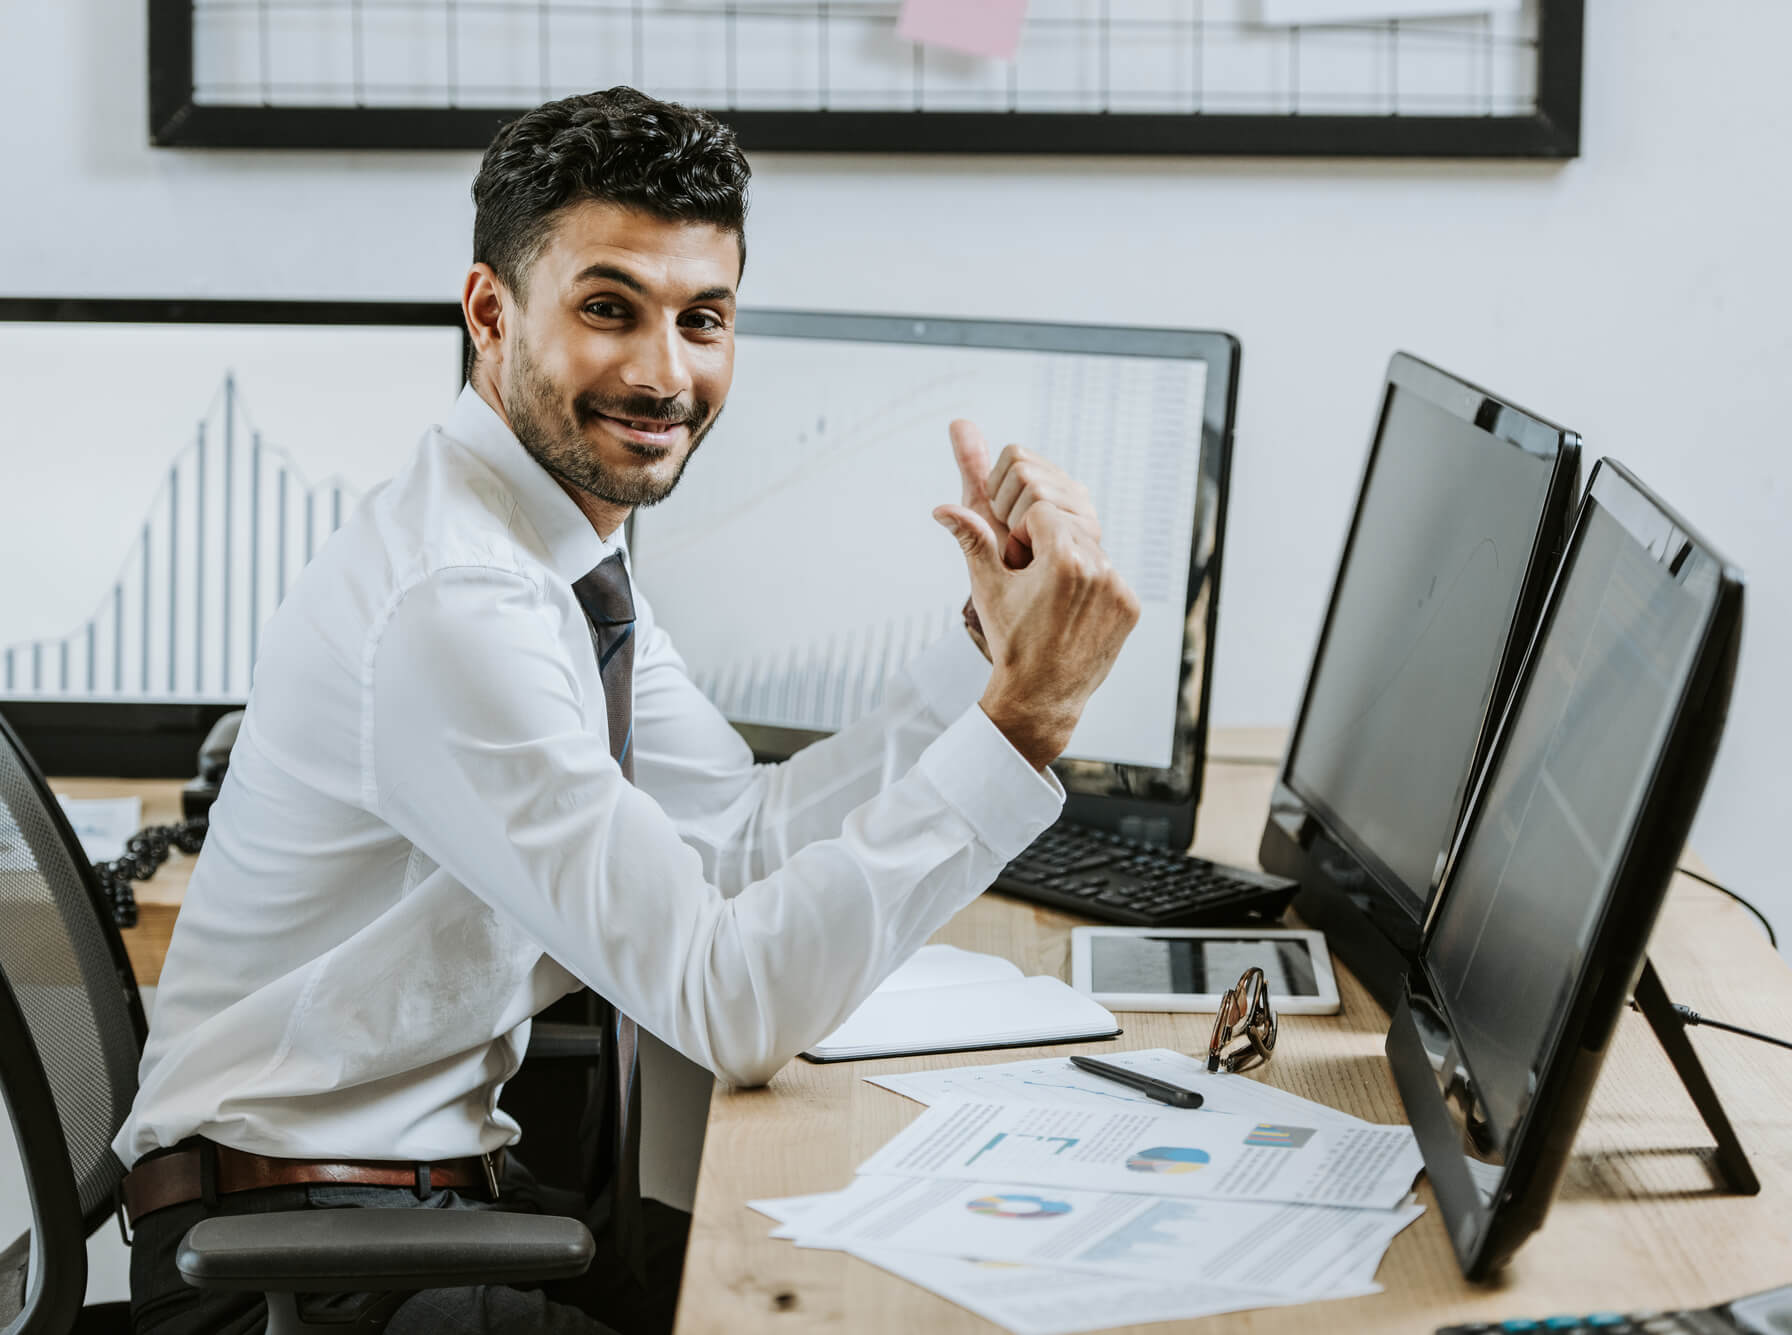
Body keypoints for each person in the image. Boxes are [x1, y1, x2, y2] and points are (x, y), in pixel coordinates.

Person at [113, 85, 1140, 1335]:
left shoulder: (551, 550)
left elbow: (745, 836)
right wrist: (1023, 727)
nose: (665, 376)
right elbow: (729, 1012)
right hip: (296, 1272)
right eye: (610, 310)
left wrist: (986, 657)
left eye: (702, 319)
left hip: (416, 1207)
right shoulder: (460, 604)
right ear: (490, 313)